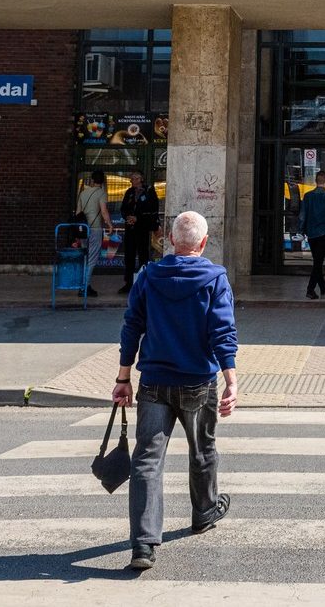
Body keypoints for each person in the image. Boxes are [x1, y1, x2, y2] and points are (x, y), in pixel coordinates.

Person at [113, 210, 239, 572]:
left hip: (154, 380)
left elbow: (131, 327)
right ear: (204, 243)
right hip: (198, 381)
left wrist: (123, 378)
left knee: (147, 460)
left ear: (170, 240)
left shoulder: (148, 276)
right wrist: (231, 380)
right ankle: (204, 512)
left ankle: (143, 544)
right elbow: (222, 332)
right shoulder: (215, 279)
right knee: (203, 450)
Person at [297, 171, 325, 299]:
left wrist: (301, 230)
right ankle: (310, 289)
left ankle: (323, 285)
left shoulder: (307, 196)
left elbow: (302, 215)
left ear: (316, 181)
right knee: (318, 262)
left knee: (317, 260)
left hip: (311, 234)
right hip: (324, 232)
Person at [119, 172, 160, 295]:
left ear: (140, 179)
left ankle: (144, 282)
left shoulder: (149, 191)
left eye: (134, 178)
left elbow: (152, 210)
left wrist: (138, 218)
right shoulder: (129, 192)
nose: (132, 181)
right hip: (130, 228)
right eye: (131, 179)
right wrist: (128, 217)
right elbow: (123, 208)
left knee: (143, 255)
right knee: (129, 255)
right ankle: (128, 283)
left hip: (142, 228)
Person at [76, 174, 114, 299]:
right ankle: (85, 287)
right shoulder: (101, 193)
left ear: (92, 180)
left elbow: (78, 212)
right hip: (95, 228)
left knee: (84, 257)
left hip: (83, 229)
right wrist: (109, 224)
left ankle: (82, 285)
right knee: (92, 258)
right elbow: (103, 211)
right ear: (103, 182)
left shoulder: (83, 193)